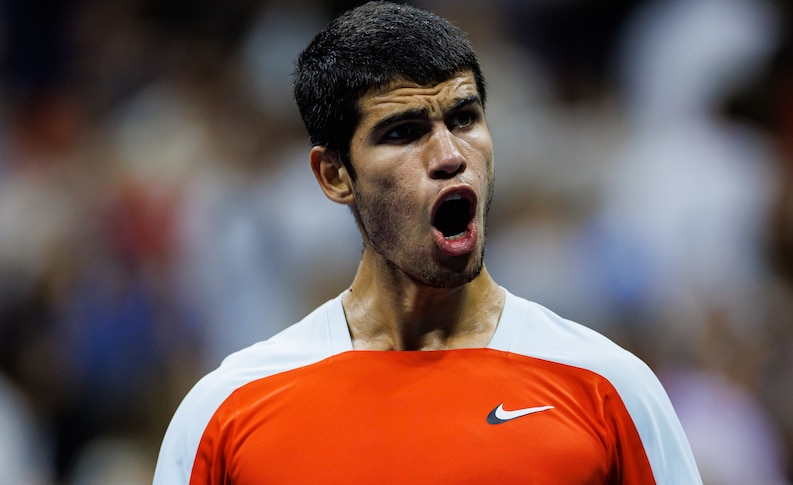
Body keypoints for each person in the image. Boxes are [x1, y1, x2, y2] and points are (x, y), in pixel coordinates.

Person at [153, 2, 702, 483]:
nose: (449, 155)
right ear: (334, 175)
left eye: (465, 118)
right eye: (404, 131)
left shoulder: (608, 388)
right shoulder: (227, 411)